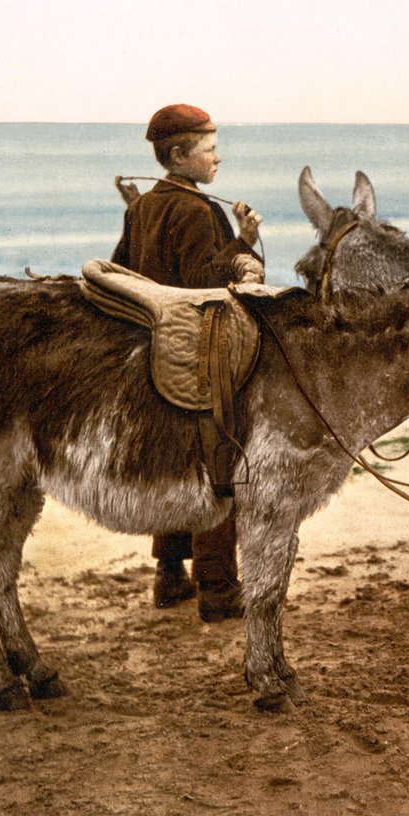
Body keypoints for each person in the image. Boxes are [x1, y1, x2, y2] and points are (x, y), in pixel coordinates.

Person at [112, 103, 264, 622]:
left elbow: (122, 271)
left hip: (157, 354)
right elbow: (206, 282)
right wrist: (243, 241)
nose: (217, 157)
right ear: (179, 155)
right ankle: (218, 588)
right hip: (202, 356)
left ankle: (170, 574)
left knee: (180, 462)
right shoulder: (198, 211)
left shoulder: (143, 208)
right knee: (218, 463)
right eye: (209, 149)